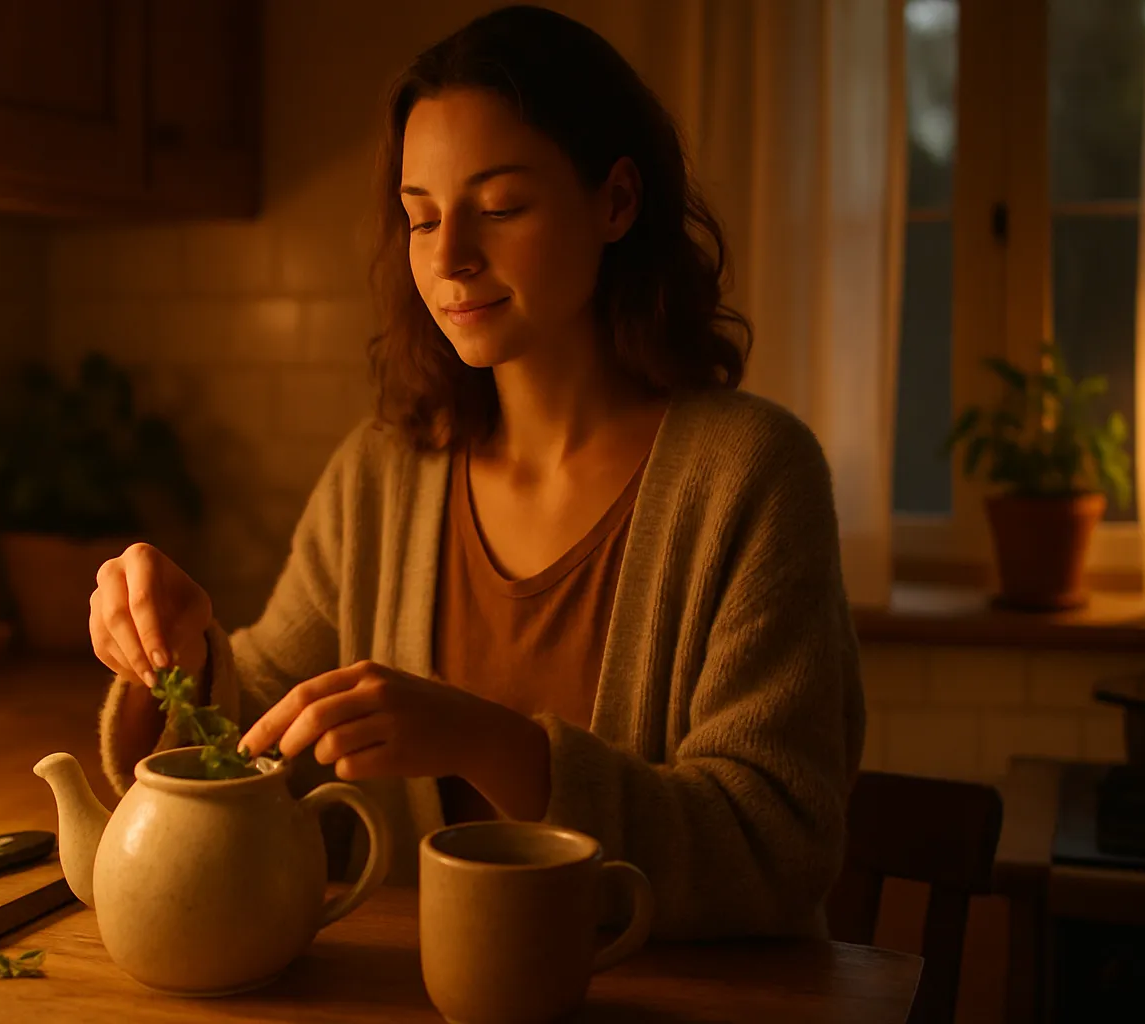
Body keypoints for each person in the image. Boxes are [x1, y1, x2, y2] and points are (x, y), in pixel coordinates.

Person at [91, 4, 864, 940]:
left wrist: (486, 740)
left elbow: (772, 849)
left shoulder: (751, 475)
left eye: (499, 208)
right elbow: (264, 733)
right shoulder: (380, 475)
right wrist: (180, 653)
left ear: (617, 201)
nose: (451, 257)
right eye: (421, 219)